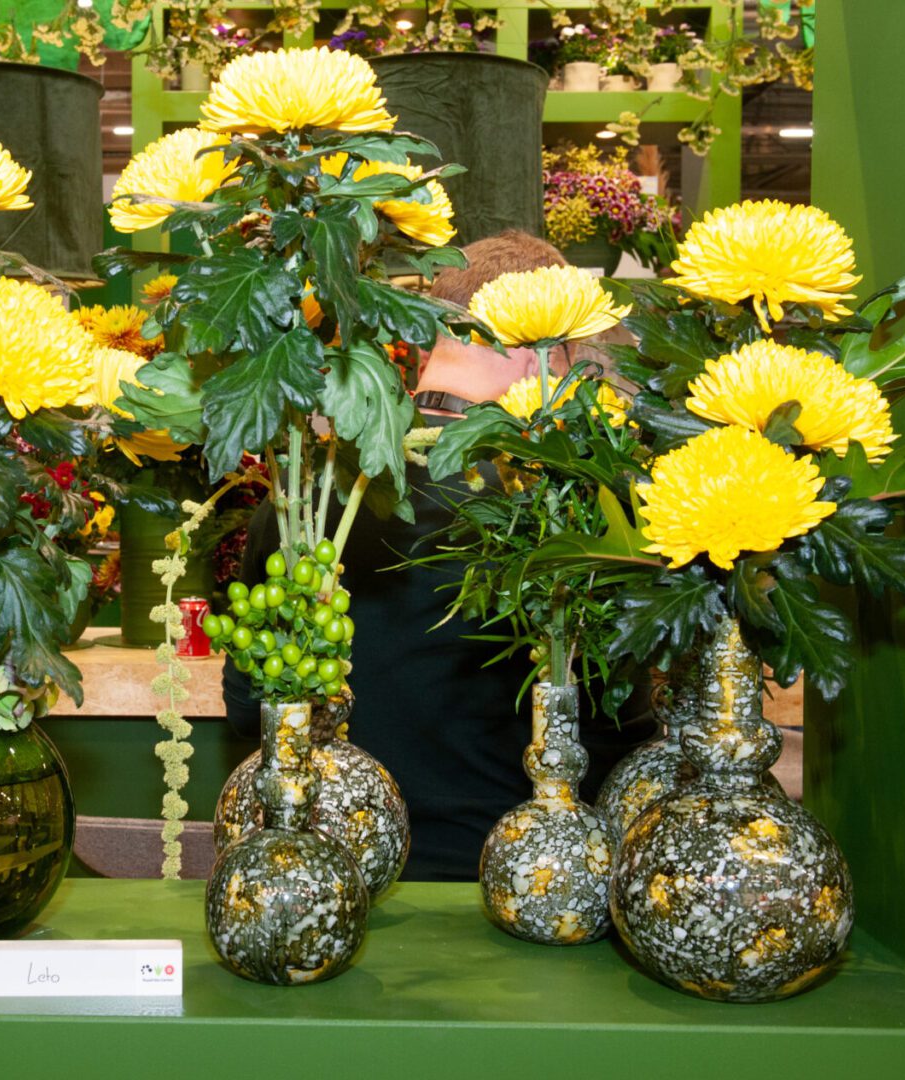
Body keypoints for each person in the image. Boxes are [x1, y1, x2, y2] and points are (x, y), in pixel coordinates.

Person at [222, 230, 655, 882]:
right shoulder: (569, 506)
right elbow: (614, 736)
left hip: (322, 877)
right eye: (576, 360)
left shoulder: (304, 495)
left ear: (430, 342)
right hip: (516, 884)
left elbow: (248, 708)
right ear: (538, 350)